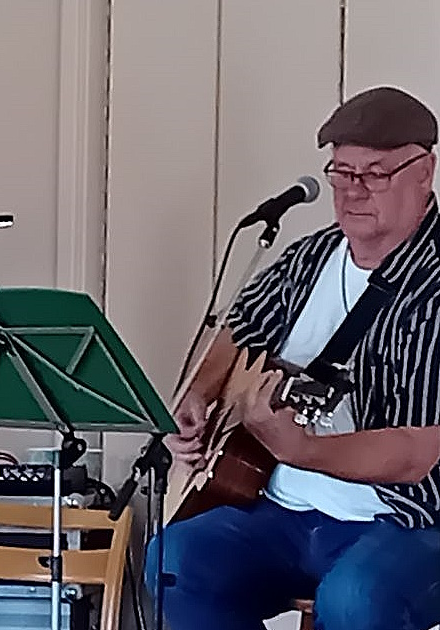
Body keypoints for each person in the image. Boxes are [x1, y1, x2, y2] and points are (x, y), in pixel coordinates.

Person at [145, 86, 440, 630]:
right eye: (342, 172)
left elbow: (417, 452)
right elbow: (235, 329)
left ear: (425, 171)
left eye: (375, 174)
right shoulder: (308, 259)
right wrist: (197, 395)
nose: (353, 191)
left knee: (355, 598)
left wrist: (304, 449)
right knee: (174, 562)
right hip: (281, 510)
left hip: (407, 519)